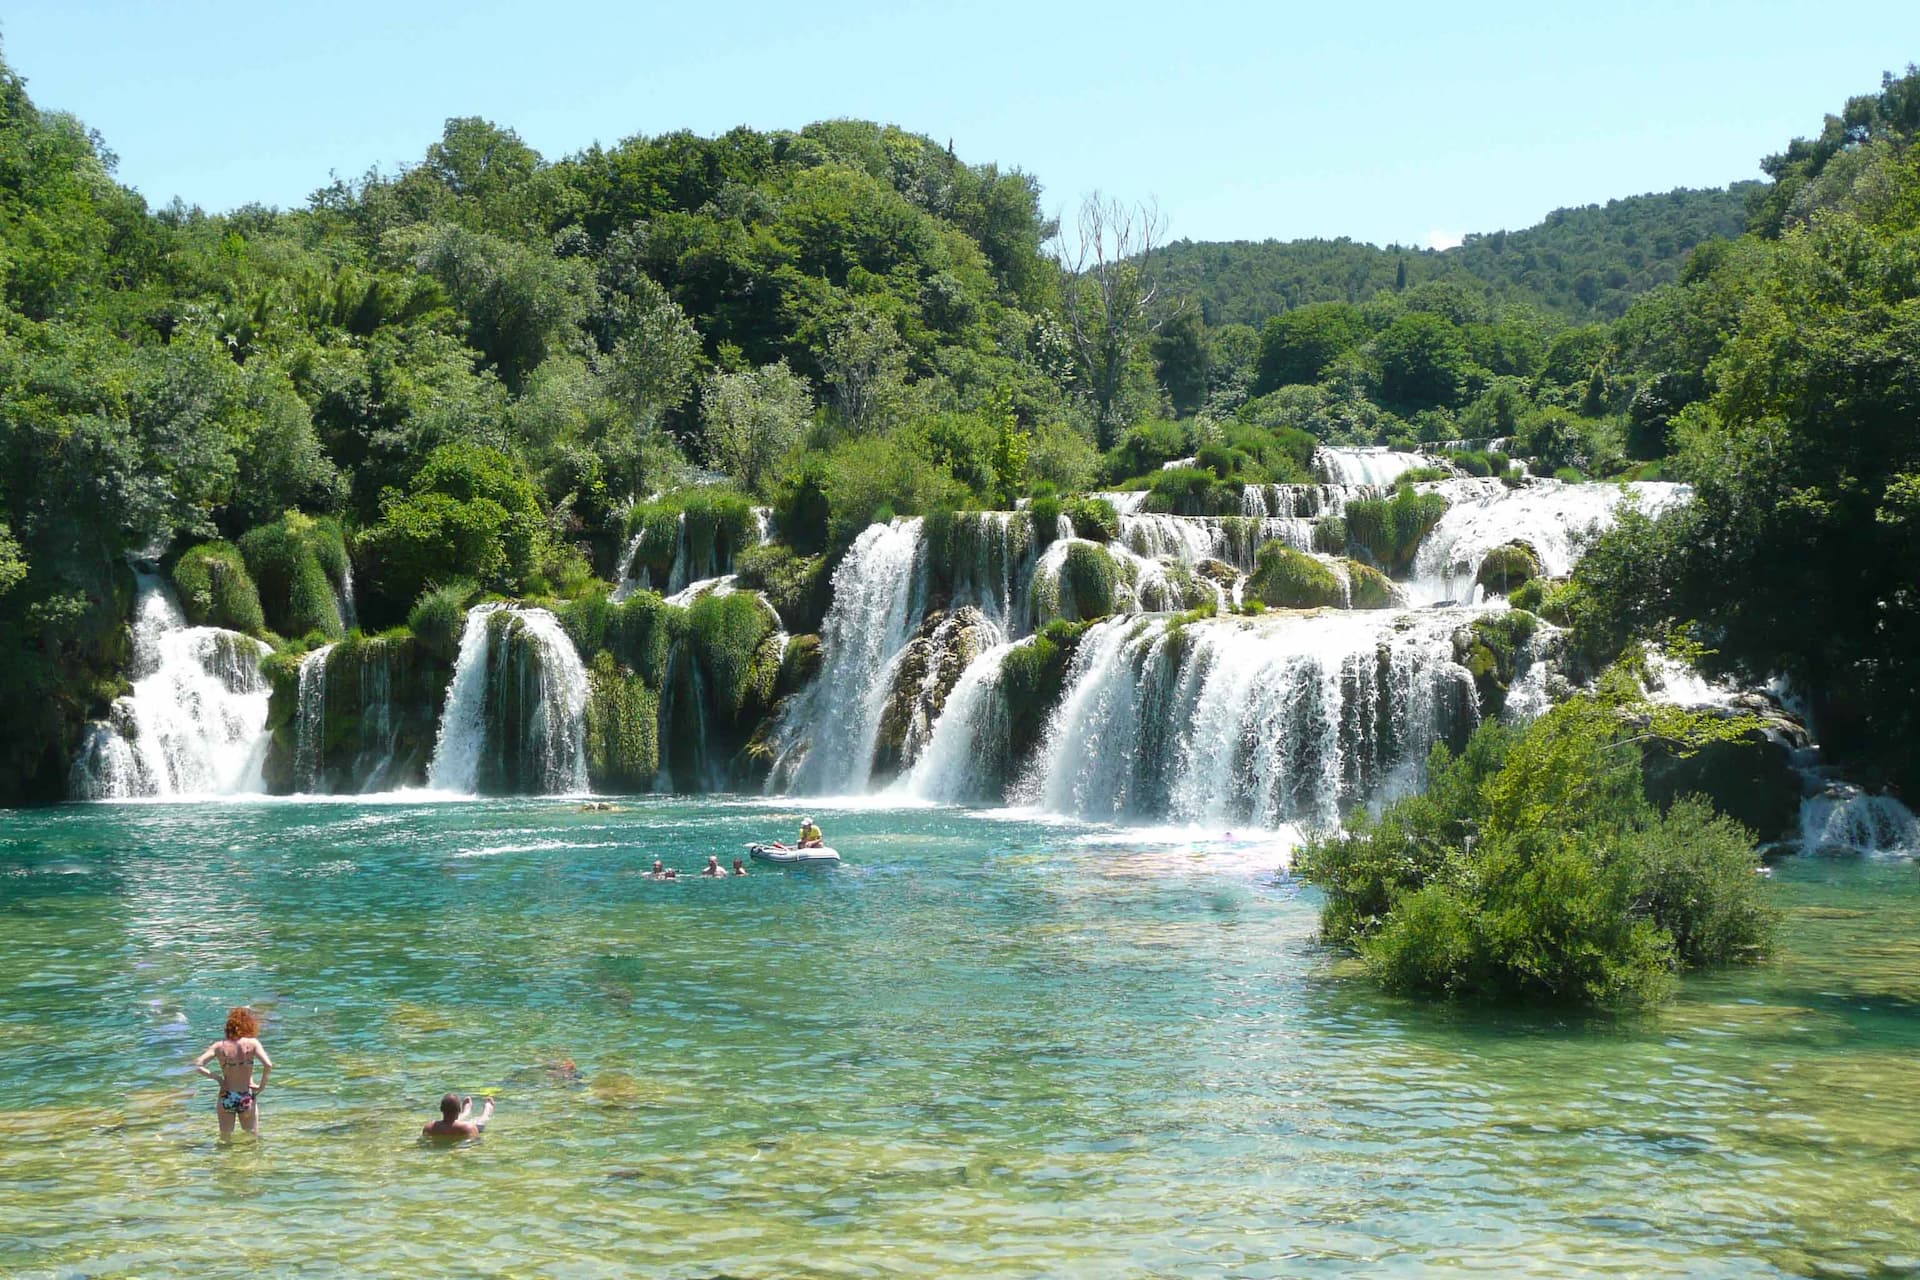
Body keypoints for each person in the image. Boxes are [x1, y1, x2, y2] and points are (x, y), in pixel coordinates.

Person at [193, 1006, 273, 1139]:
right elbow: (268, 1065)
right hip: (246, 1095)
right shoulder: (253, 1043)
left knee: (225, 1138)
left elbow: (198, 1065)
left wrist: (218, 1079)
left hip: (226, 1096)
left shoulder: (219, 1046)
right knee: (252, 1138)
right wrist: (261, 1086)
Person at [422, 1093, 494, 1141]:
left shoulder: (429, 1128)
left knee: (453, 1119)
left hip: (448, 1125)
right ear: (459, 1110)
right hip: (465, 1129)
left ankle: (466, 1111)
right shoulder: (469, 1128)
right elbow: (476, 1143)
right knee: (482, 1119)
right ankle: (487, 1109)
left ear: (441, 1109)